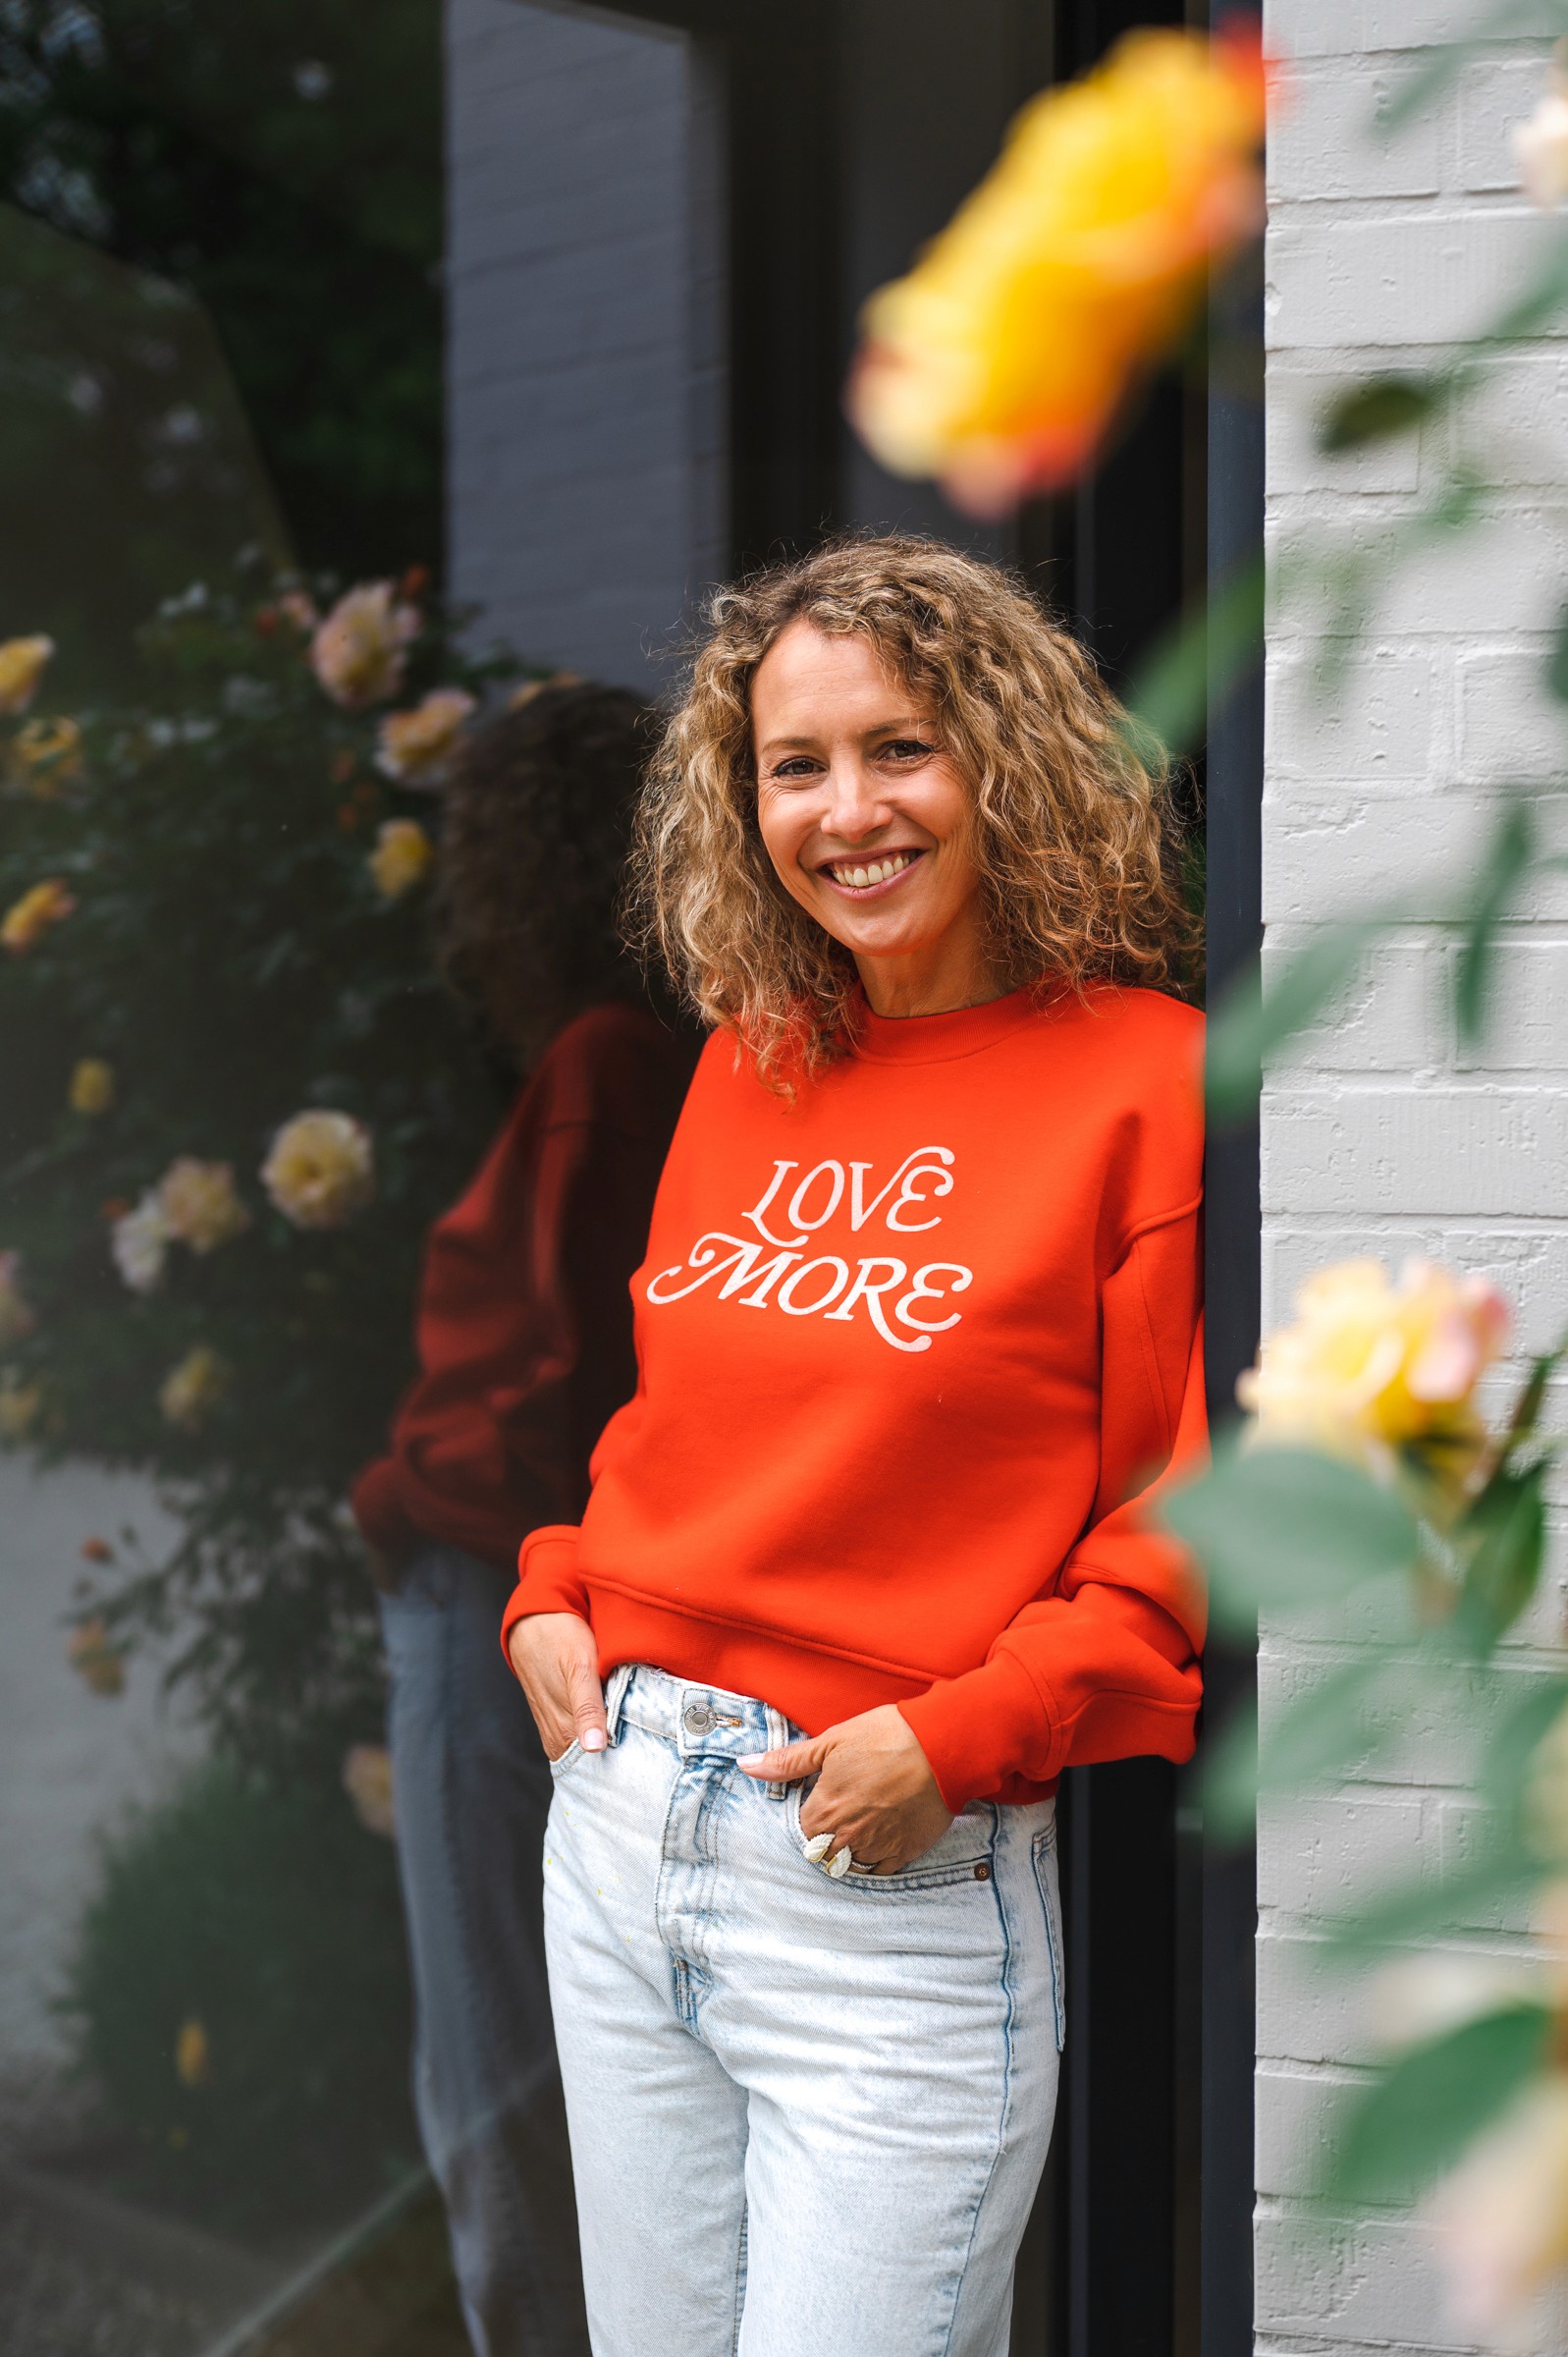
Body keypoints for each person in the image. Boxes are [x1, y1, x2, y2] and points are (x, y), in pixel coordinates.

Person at [503, 538, 1207, 2357]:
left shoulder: (1144, 1080)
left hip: (881, 1869)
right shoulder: (752, 1057)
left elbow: (1178, 1524)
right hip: (624, 1815)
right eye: (792, 766)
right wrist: (552, 1591)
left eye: (898, 748)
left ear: (1004, 759)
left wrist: (953, 1741)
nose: (847, 812)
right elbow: (675, 1418)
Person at [351, 682, 698, 2357]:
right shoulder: (628, 1060)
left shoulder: (602, 1065)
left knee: (496, 2087)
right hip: (519, 1599)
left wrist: (398, 1500)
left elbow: (564, 1391)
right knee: (521, 2072)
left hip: (499, 1603)